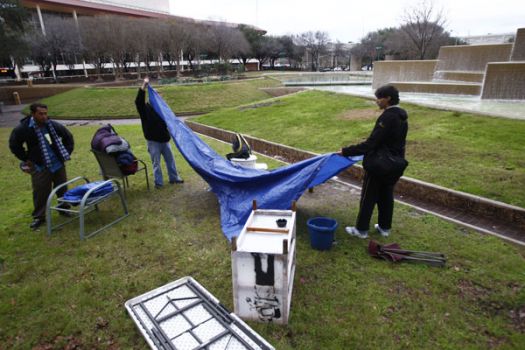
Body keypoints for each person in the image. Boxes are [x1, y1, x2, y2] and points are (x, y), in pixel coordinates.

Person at [339, 85, 408, 239]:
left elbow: (371, 143)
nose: (377, 101)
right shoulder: (402, 117)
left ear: (388, 98)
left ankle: (361, 230)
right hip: (394, 164)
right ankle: (385, 227)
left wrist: (346, 151)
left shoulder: (387, 117)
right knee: (386, 196)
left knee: (368, 196)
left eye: (379, 98)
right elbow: (399, 143)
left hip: (379, 164)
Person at [9, 103, 75, 230]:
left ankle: (63, 208)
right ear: (33, 114)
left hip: (57, 162)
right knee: (40, 191)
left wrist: (65, 153)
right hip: (40, 165)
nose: (44, 116)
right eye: (41, 114)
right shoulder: (23, 128)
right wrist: (26, 158)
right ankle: (39, 217)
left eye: (45, 113)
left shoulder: (52, 125)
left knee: (62, 187)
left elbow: (68, 137)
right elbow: (14, 145)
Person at [135, 77, 183, 189]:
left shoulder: (162, 109)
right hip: (153, 142)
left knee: (170, 161)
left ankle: (174, 178)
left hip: (165, 140)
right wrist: (144, 86)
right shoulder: (145, 109)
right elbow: (138, 102)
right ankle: (159, 183)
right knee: (156, 163)